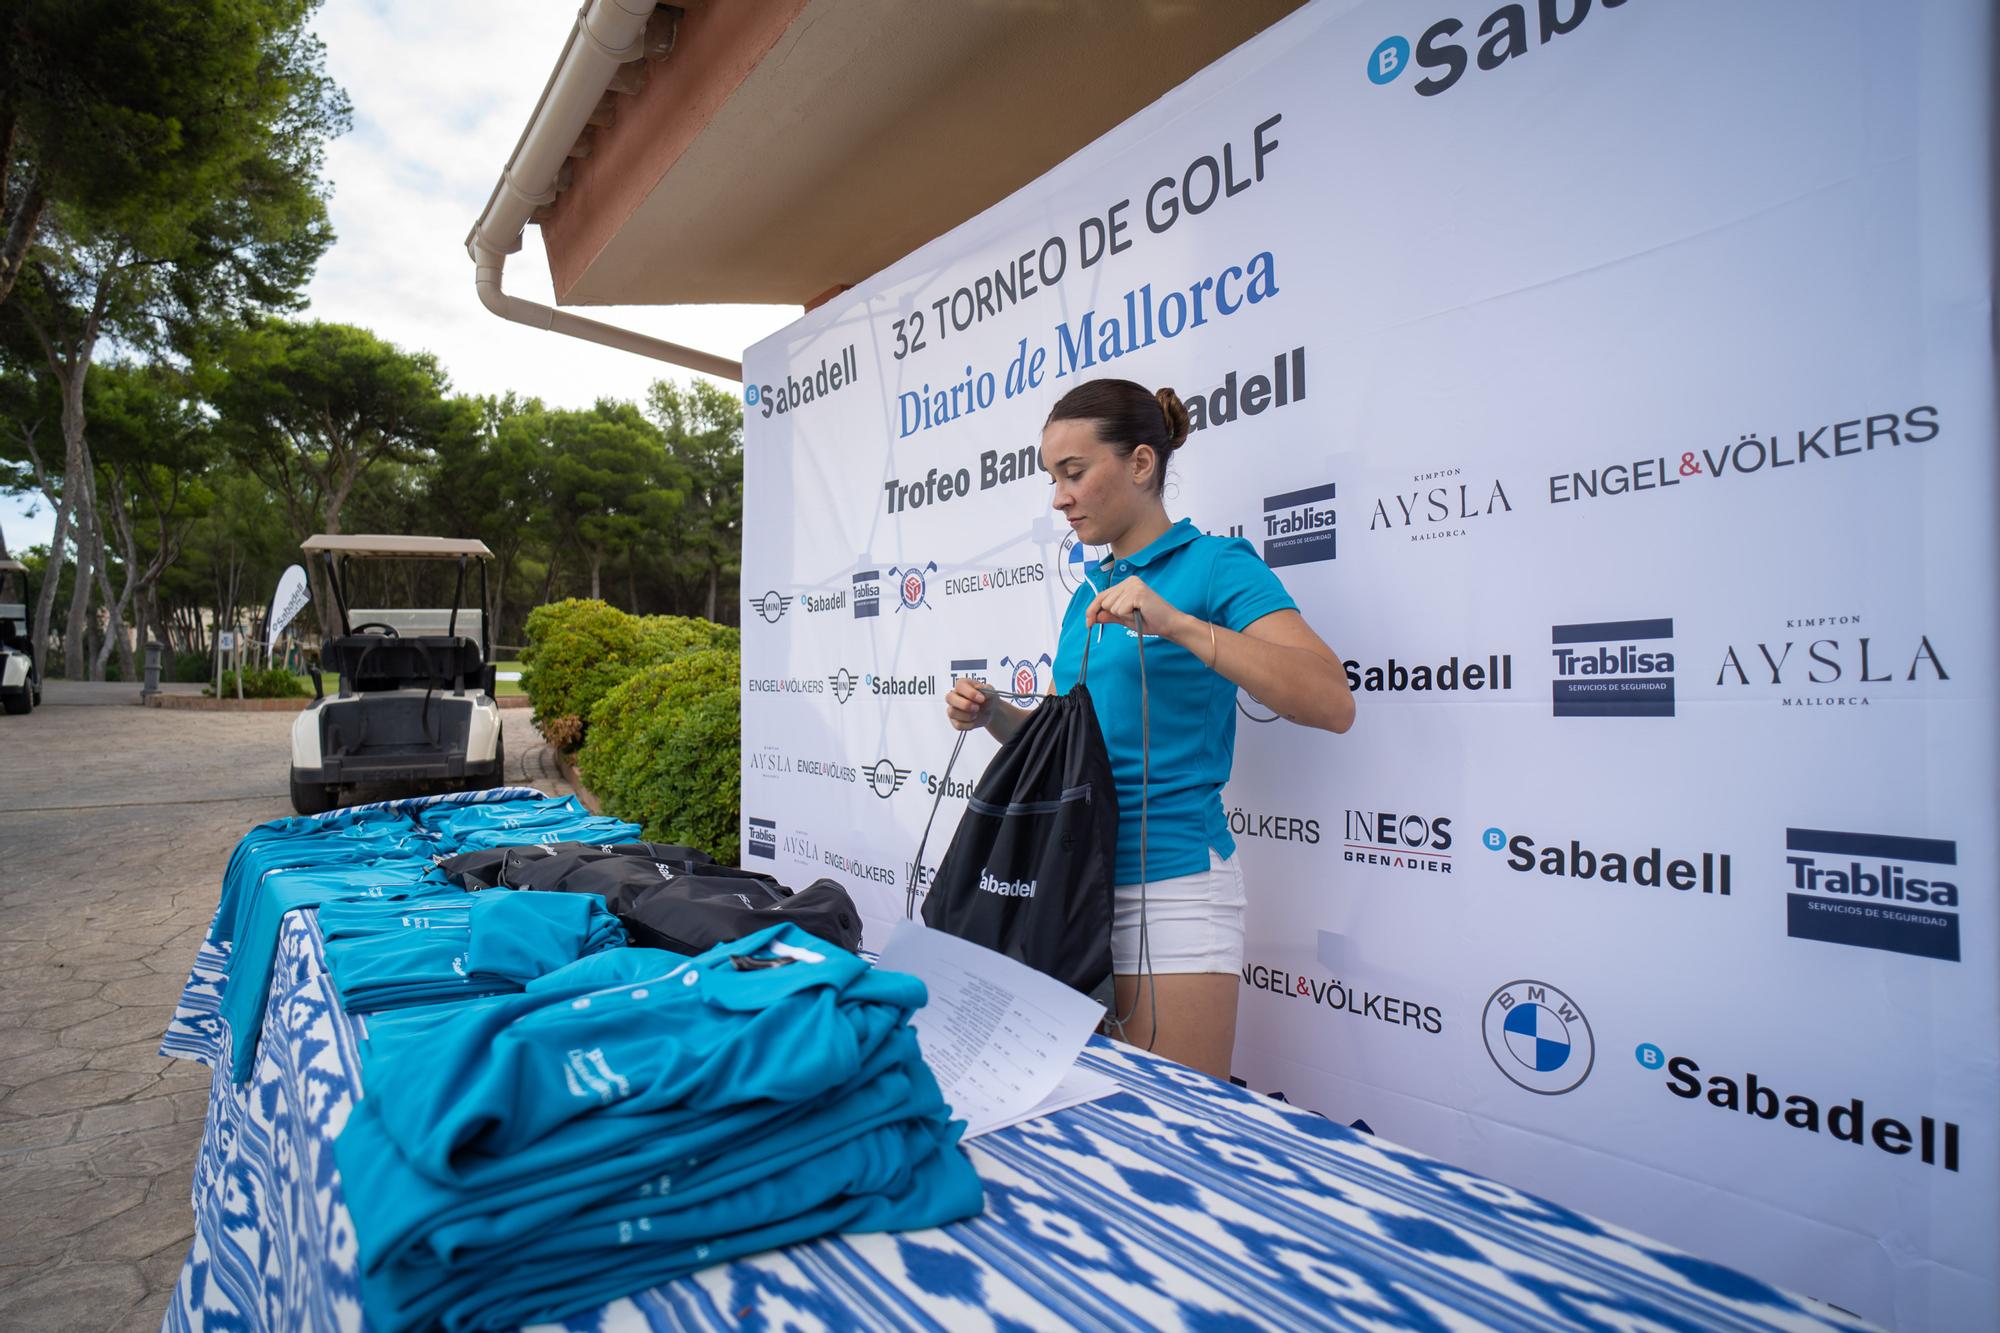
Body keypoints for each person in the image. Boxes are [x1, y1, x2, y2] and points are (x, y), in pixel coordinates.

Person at [944, 378, 1355, 1079]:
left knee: (1178, 1132)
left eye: (1073, 473)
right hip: (1071, 887)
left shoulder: (1217, 565)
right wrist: (994, 717)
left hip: (1173, 888)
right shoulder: (1085, 596)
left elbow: (1330, 699)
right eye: (1052, 478)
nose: (1058, 497)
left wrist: (1177, 623)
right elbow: (1064, 754)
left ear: (1140, 464)